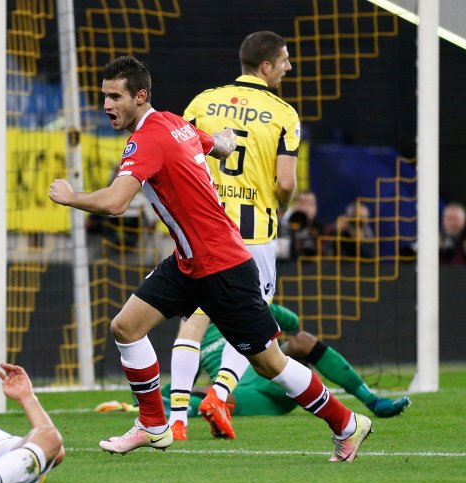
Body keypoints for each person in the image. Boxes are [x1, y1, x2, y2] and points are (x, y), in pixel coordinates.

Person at [48, 55, 372, 462]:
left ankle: (347, 423)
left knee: (270, 363)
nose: (107, 105)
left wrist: (70, 197)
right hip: (189, 262)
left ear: (140, 96)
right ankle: (154, 425)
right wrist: (222, 144)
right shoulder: (172, 122)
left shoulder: (147, 139)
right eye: (105, 96)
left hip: (222, 266)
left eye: (116, 97)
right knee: (126, 327)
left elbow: (115, 203)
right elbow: (213, 144)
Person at [170, 31, 299, 440]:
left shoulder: (203, 102)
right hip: (254, 234)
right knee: (253, 324)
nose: (289, 67)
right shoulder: (283, 114)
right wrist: (280, 206)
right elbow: (286, 182)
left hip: (205, 230)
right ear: (266, 66)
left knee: (193, 320)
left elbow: (179, 156)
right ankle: (219, 394)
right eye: (284, 60)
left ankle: (177, 418)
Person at [140, 304, 409, 424]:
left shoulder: (242, 307)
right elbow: (184, 380)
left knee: (303, 341)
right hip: (247, 394)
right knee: (213, 396)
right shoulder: (194, 335)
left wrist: (265, 308)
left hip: (275, 371)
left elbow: (293, 323)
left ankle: (372, 401)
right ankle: (174, 414)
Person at [282, 190, 324, 258]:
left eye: (309, 203)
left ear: (315, 208)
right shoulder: (283, 226)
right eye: (301, 203)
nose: (305, 208)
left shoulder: (321, 230)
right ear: (294, 205)